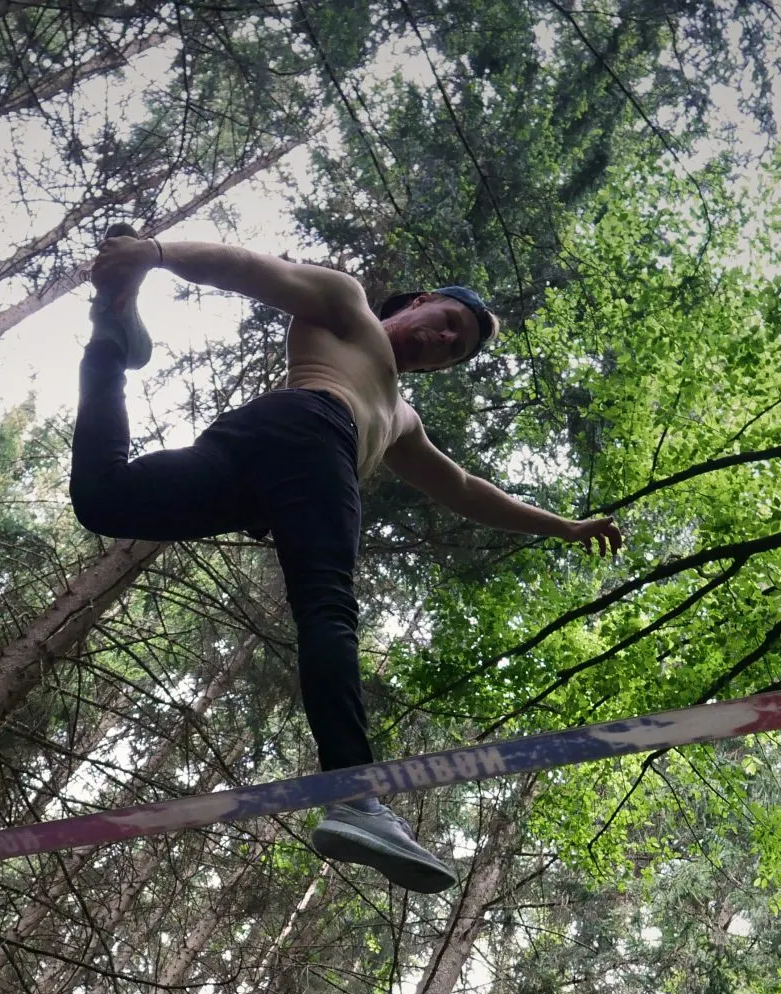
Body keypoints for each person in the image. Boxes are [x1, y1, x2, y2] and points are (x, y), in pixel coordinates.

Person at [70, 225, 622, 893]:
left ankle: (111, 341)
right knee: (327, 609)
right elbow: (247, 266)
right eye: (447, 323)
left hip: (258, 464)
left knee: (106, 500)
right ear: (417, 301)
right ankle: (357, 796)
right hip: (304, 428)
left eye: (455, 351)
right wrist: (155, 255)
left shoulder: (400, 417)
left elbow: (466, 490)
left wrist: (562, 526)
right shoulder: (346, 305)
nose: (443, 344)